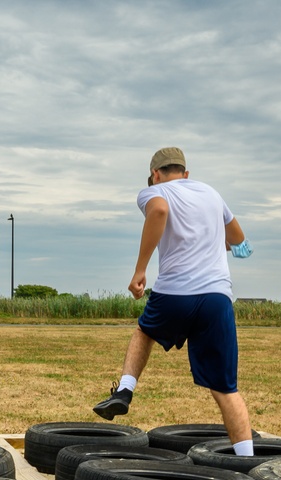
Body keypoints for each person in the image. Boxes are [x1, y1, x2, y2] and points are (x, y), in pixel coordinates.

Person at [93, 147, 257, 456]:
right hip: (216, 297)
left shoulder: (152, 192)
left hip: (175, 292)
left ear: (155, 175)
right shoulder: (211, 193)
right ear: (186, 173)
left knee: (145, 333)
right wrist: (218, 243)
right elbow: (239, 242)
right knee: (225, 388)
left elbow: (158, 211)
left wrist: (140, 269)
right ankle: (247, 462)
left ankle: (125, 391)